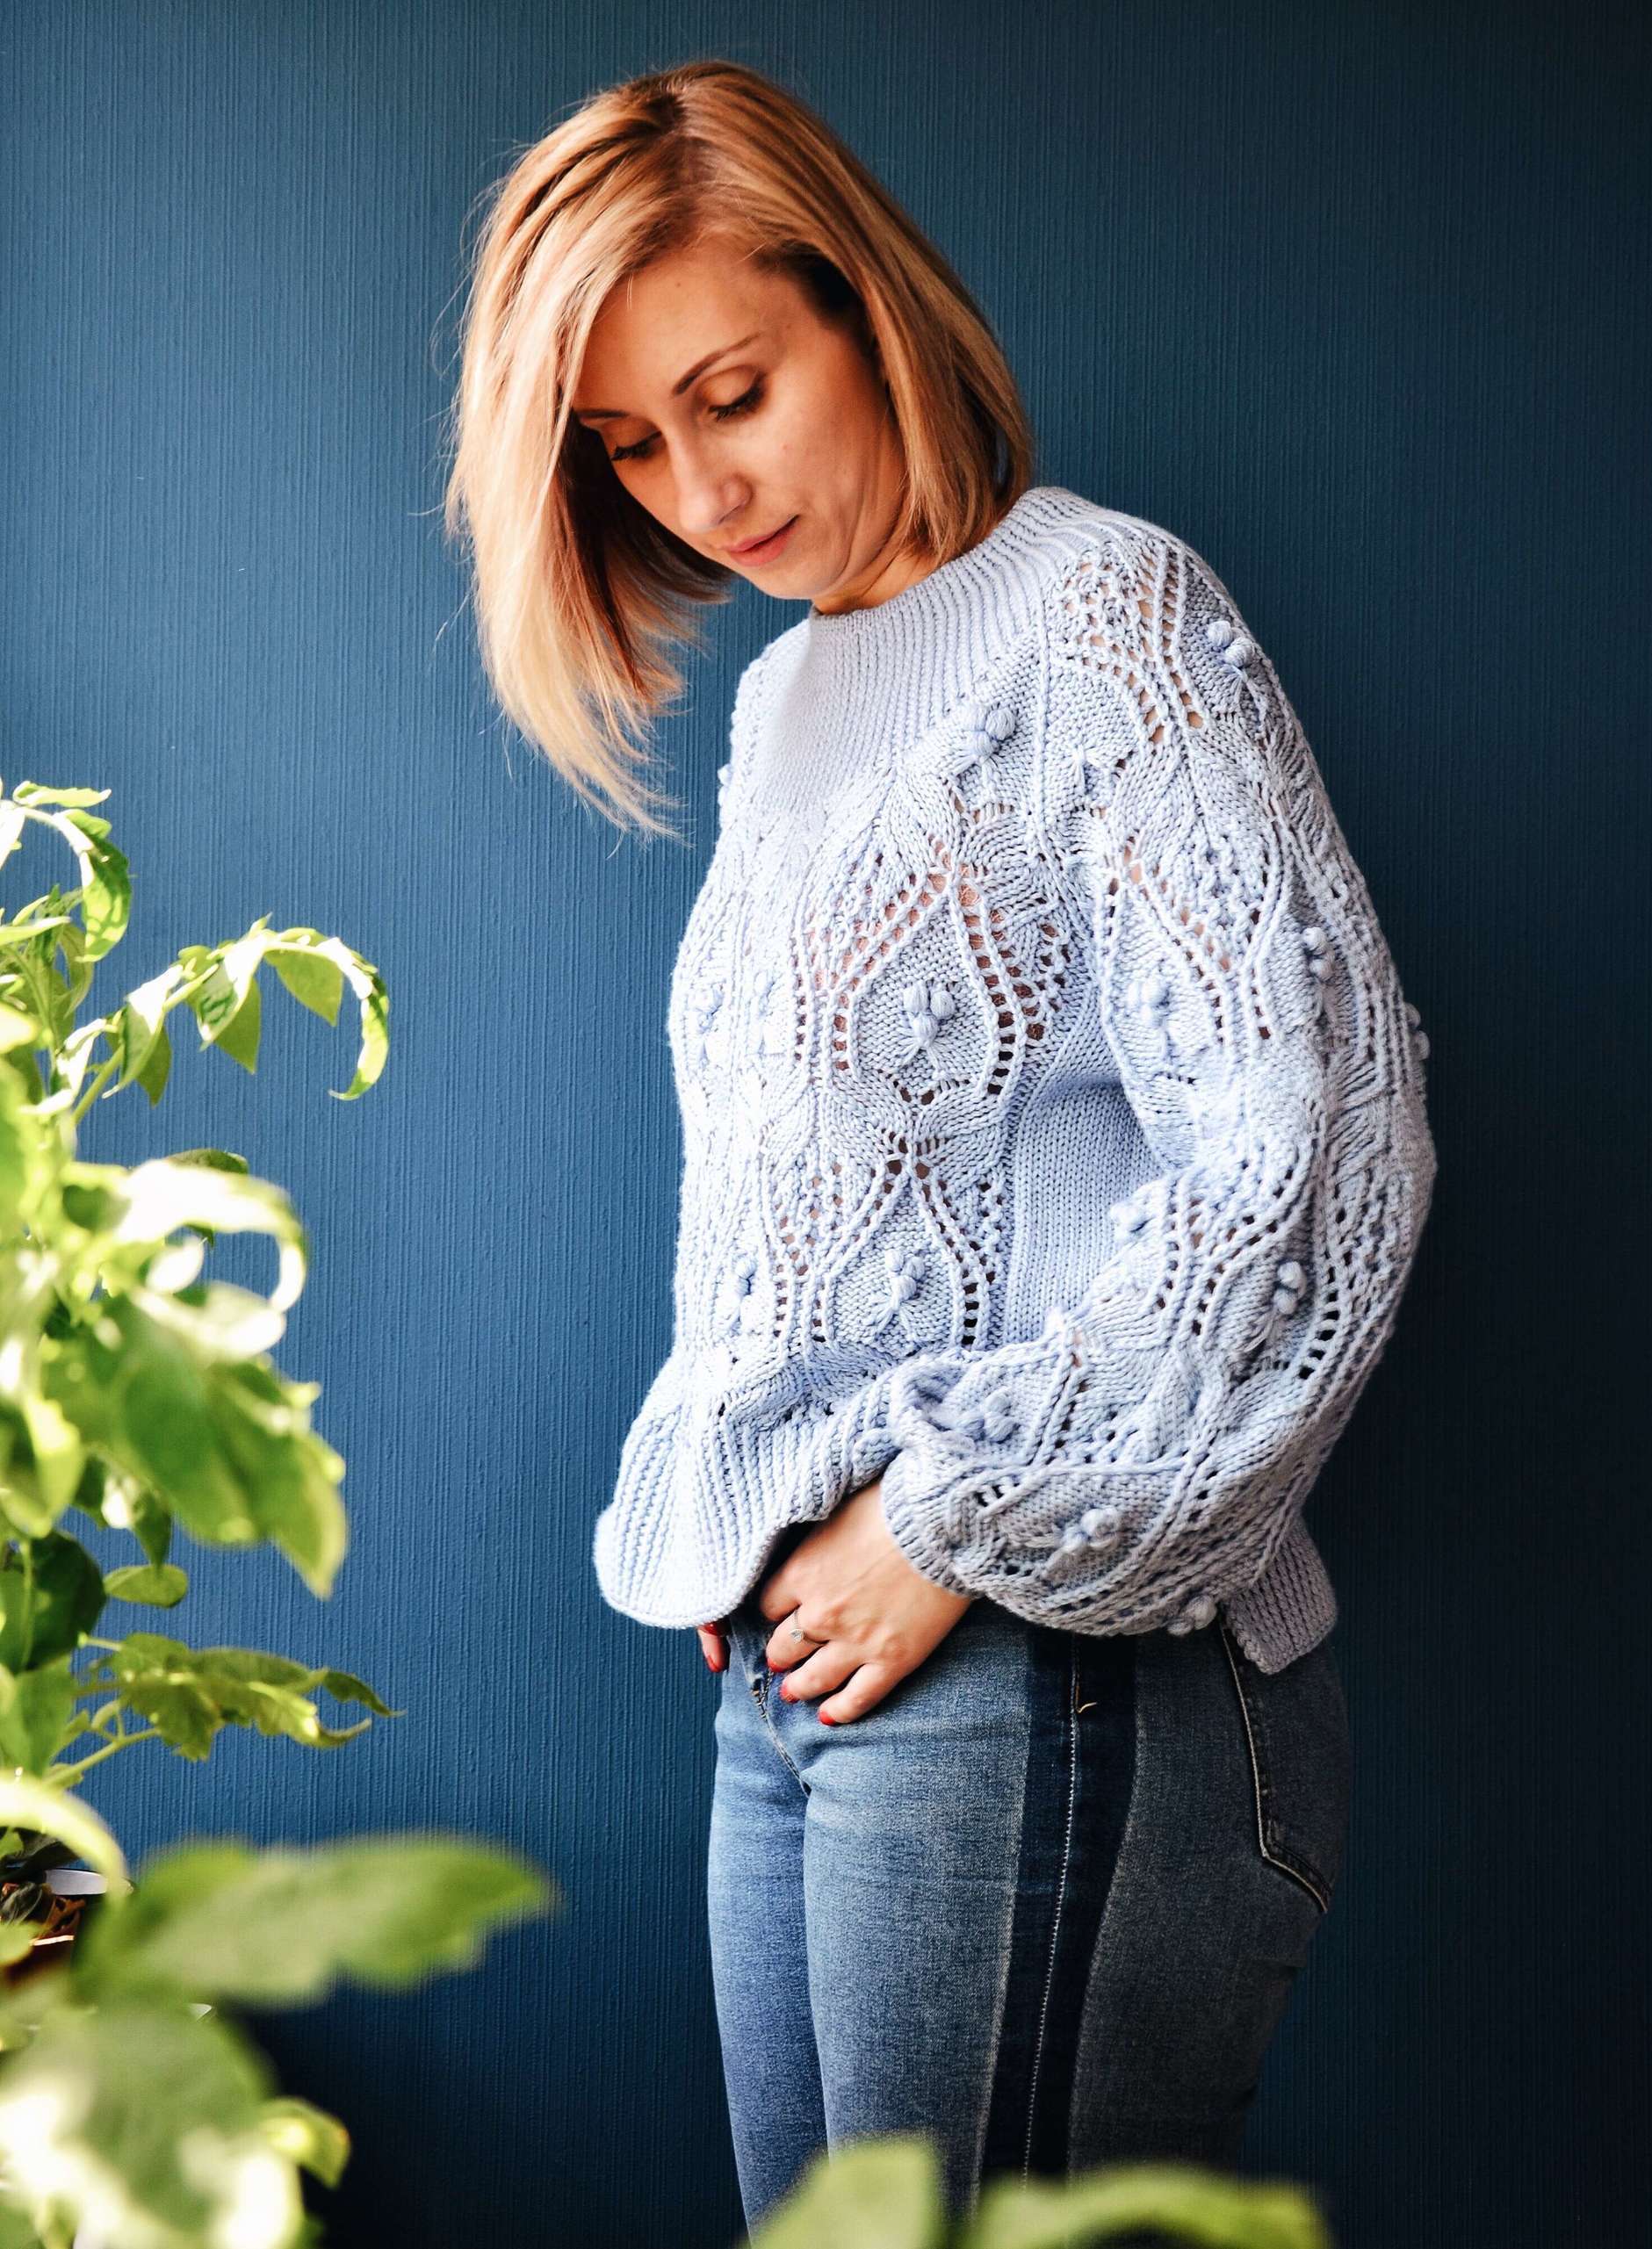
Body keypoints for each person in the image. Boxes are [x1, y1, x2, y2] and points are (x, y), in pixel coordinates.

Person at [444, 57, 1439, 2237]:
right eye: (626, 444)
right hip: (821, 1682)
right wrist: (754, 1478)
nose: (700, 486)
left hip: (1066, 1657)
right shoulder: (793, 697)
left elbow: (1308, 1144)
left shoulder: (1102, 615)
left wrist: (947, 1514)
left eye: (734, 392)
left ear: (864, 308)